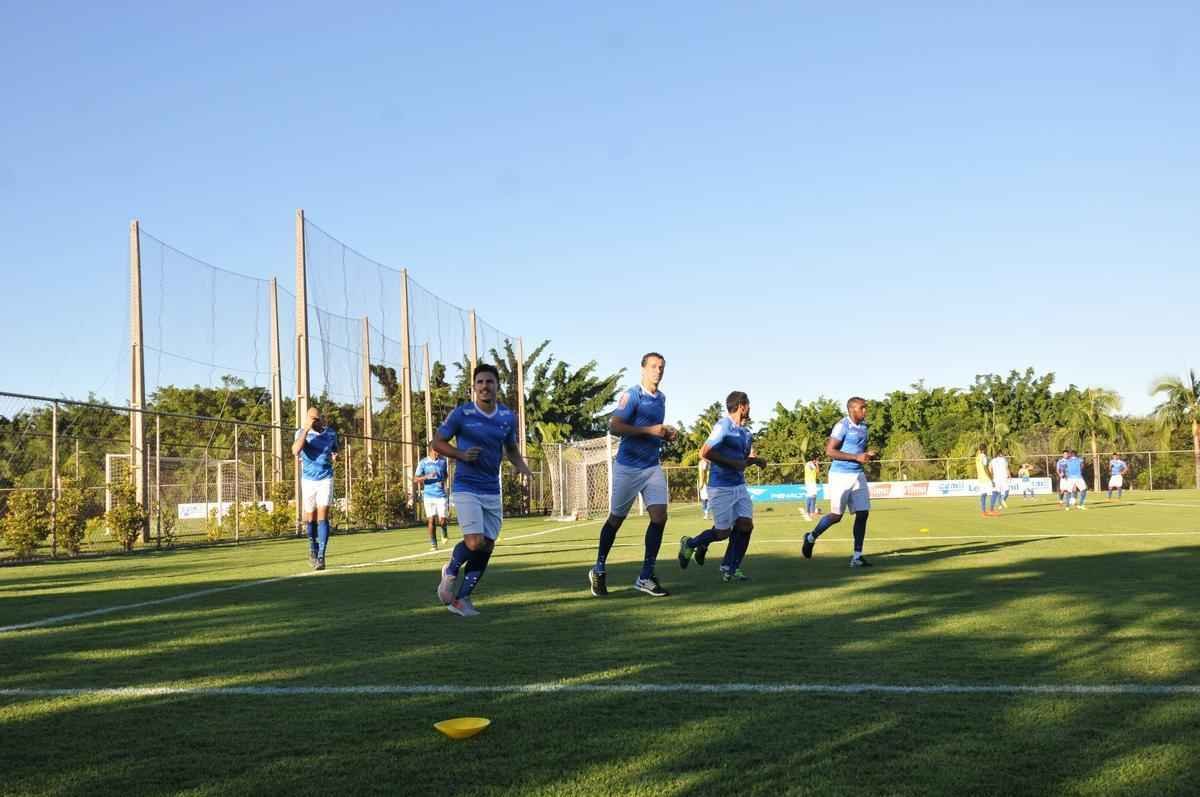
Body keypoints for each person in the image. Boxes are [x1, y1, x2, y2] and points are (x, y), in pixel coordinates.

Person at [434, 364, 533, 617]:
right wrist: (461, 454)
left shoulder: (507, 417)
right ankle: (451, 570)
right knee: (474, 541)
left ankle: (463, 599)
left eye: (489, 382)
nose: (485, 386)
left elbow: (510, 449)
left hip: (492, 489)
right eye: (480, 382)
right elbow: (436, 442)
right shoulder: (462, 414)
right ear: (473, 387)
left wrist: (522, 467)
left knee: (487, 545)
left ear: (497, 386)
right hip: (467, 486)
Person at [588, 353, 677, 598]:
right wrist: (650, 430)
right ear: (643, 369)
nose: (657, 371)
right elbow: (614, 426)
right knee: (615, 520)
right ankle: (599, 568)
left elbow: (653, 432)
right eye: (653, 367)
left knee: (659, 517)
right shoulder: (632, 395)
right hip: (628, 467)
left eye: (661, 367)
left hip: (651, 467)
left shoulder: (662, 398)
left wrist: (665, 434)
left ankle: (646, 576)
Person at [677, 391, 766, 581]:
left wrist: (755, 461)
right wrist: (731, 464)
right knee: (722, 532)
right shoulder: (723, 426)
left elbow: (741, 461)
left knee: (746, 525)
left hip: (739, 486)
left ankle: (731, 567)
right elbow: (705, 452)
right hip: (720, 487)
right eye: (748, 404)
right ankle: (691, 543)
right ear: (742, 406)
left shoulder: (746, 433)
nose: (750, 408)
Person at [801, 397, 877, 567]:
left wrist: (866, 455)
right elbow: (830, 451)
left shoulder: (864, 427)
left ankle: (857, 557)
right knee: (836, 516)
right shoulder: (842, 426)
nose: (865, 411)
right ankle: (811, 537)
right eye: (862, 408)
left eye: (866, 408)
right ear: (852, 410)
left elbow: (858, 450)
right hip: (840, 476)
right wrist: (856, 457)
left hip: (858, 475)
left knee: (863, 513)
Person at [292, 405, 339, 570]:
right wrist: (305, 430)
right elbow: (295, 450)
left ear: (321, 419)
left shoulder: (331, 433)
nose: (314, 422)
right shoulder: (301, 433)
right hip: (308, 480)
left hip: (325, 478)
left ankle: (321, 556)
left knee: (322, 516)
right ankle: (312, 547)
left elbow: (335, 450)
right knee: (310, 518)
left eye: (316, 419)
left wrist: (335, 456)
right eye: (311, 419)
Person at [414, 444, 449, 549]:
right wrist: (427, 476)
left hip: (440, 495)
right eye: (437, 449)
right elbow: (416, 479)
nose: (439, 451)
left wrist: (443, 481)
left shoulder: (442, 462)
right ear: (432, 450)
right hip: (428, 496)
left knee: (442, 520)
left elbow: (445, 475)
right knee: (431, 520)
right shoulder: (423, 462)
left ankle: (444, 531)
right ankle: (434, 544)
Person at [976, 445, 995, 517]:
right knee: (994, 492)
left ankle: (983, 512)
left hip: (980, 478)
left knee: (983, 495)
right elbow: (985, 468)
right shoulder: (984, 457)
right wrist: (991, 478)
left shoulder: (977, 457)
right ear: (984, 449)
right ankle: (991, 510)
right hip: (986, 478)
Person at [802, 456, 820, 521]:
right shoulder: (811, 464)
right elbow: (817, 471)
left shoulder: (807, 464)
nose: (817, 461)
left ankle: (808, 512)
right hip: (811, 482)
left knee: (809, 497)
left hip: (808, 482)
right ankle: (811, 512)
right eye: (817, 460)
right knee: (813, 497)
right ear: (814, 459)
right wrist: (817, 465)